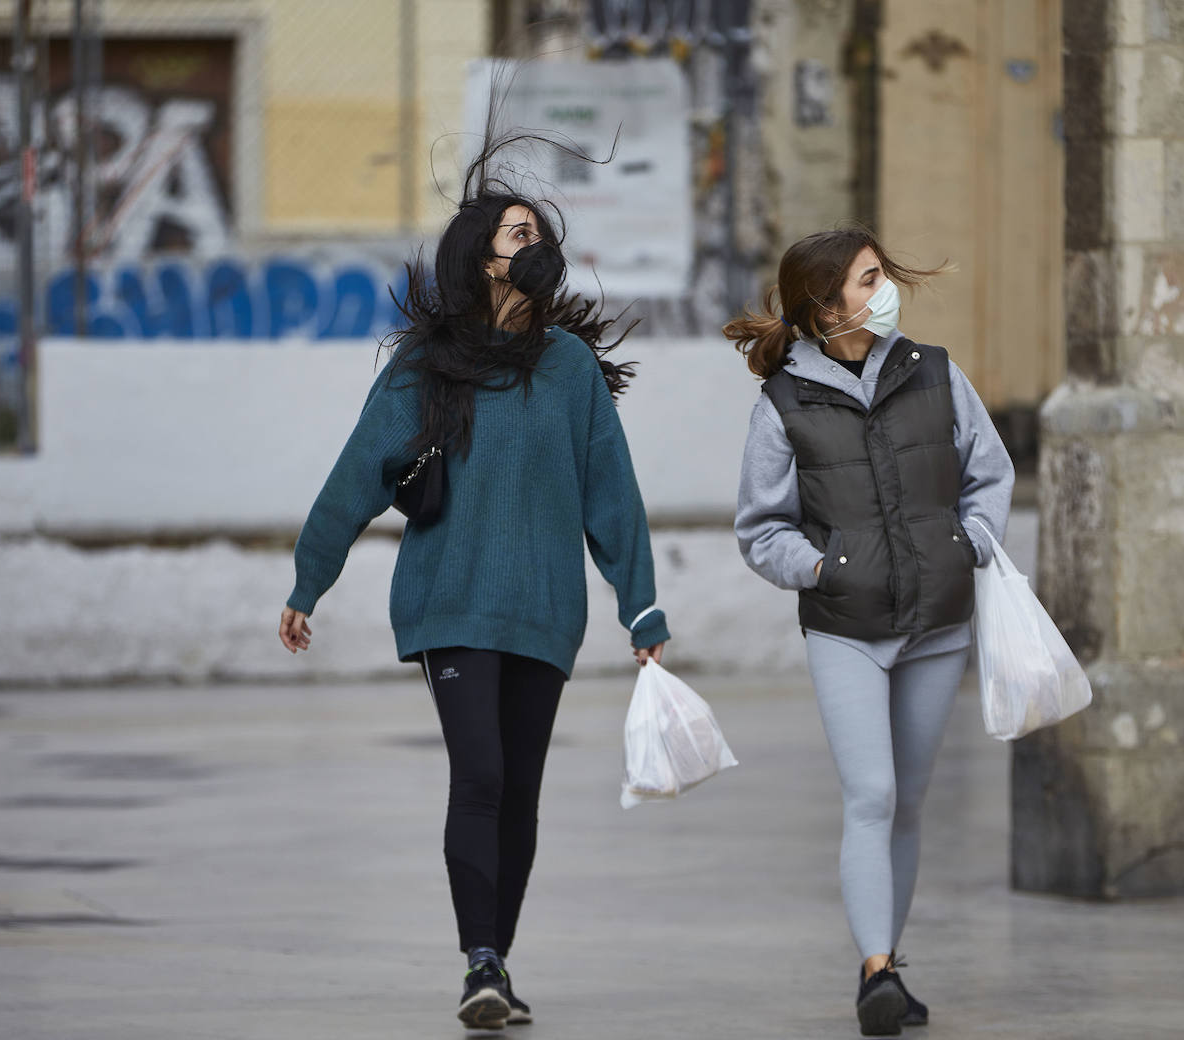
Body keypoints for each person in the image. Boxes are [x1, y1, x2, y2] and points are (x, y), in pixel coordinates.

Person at [277, 165, 670, 1030]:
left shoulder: (569, 369)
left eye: (539, 233)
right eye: (516, 234)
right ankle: (479, 961)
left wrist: (639, 607)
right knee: (482, 774)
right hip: (450, 602)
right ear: (482, 261)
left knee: (520, 791)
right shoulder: (429, 364)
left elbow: (612, 492)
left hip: (544, 611)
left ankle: (498, 962)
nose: (535, 246)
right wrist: (312, 580)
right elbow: (357, 477)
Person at [724, 228, 1012, 1037]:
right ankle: (877, 974)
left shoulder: (936, 374)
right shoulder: (784, 404)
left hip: (936, 625)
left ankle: (883, 961)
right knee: (873, 795)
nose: (884, 290)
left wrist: (970, 544)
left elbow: (990, 474)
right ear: (826, 306)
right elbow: (761, 528)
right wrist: (822, 570)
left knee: (910, 803)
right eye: (868, 279)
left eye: (880, 275)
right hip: (846, 626)